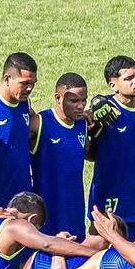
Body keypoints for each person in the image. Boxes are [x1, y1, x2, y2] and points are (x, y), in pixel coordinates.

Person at [87, 56, 135, 237]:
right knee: (101, 251)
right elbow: (83, 123)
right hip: (109, 196)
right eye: (129, 78)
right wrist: (93, 107)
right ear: (113, 85)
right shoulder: (104, 111)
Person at [31, 72, 90, 237]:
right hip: (46, 214)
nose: (80, 106)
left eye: (83, 100)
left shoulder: (82, 125)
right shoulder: (39, 123)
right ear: (58, 98)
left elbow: (88, 154)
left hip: (74, 213)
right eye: (74, 101)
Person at [0, 52, 39, 208]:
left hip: (22, 193)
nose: (29, 89)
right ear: (7, 79)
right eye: (24, 83)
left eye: (33, 83)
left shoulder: (24, 104)